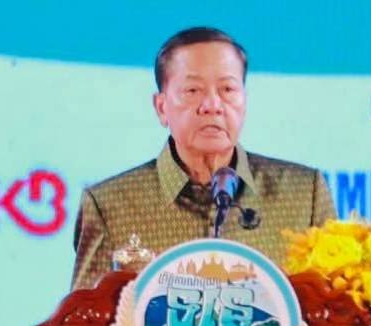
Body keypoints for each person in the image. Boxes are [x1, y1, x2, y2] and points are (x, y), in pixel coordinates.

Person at [70, 26, 334, 290]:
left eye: (227, 89)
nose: (212, 105)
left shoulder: (303, 194)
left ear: (244, 100)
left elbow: (337, 307)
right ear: (161, 107)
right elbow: (84, 314)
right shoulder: (109, 205)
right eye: (193, 90)